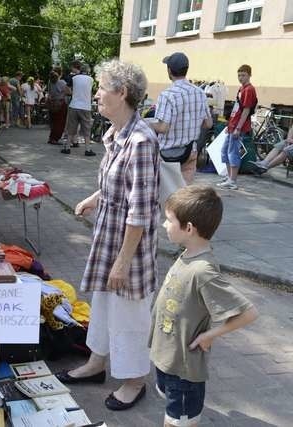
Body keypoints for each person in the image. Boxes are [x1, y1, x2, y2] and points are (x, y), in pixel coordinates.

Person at [55, 59, 160, 412]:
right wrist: (93, 198)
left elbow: (142, 210)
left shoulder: (142, 141)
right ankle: (96, 364)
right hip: (109, 237)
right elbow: (118, 185)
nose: (96, 93)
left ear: (122, 93)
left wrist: (122, 262)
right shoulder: (116, 134)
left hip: (127, 245)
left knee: (129, 313)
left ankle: (134, 381)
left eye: (102, 87)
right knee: (102, 303)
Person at [152, 185, 258, 426]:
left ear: (188, 228)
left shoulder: (203, 270)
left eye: (169, 220)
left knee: (178, 421)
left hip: (185, 370)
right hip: (168, 359)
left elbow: (249, 313)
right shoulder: (187, 254)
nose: (164, 224)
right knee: (172, 409)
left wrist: (210, 335)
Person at [151, 52, 213, 185]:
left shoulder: (167, 95)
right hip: (190, 151)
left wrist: (146, 123)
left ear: (169, 70)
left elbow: (163, 127)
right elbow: (208, 123)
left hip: (167, 154)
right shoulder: (200, 93)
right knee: (183, 195)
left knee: (166, 194)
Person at [217, 64, 257, 190]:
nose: (240, 78)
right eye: (239, 75)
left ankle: (233, 181)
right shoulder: (242, 88)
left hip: (239, 126)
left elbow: (246, 110)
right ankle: (230, 177)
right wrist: (230, 125)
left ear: (249, 75)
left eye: (243, 75)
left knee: (232, 152)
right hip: (232, 125)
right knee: (225, 151)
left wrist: (238, 128)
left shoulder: (249, 89)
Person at [63, 61, 96, 156]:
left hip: (74, 105)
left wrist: (73, 93)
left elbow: (66, 88)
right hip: (85, 107)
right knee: (86, 129)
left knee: (71, 128)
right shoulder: (91, 79)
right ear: (88, 70)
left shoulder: (74, 78)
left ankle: (67, 148)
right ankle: (87, 149)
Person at [46, 70, 69, 145]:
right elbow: (68, 92)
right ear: (60, 74)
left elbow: (49, 92)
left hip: (52, 103)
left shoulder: (50, 82)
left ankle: (51, 137)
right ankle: (55, 138)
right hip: (60, 103)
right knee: (60, 122)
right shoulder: (62, 82)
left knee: (53, 122)